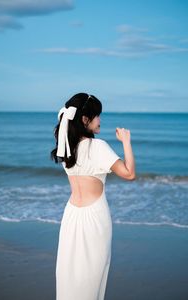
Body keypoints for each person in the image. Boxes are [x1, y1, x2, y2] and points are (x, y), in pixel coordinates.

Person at [51, 92, 136, 300]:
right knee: (92, 276)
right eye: (97, 115)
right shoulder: (98, 146)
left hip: (71, 216)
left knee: (69, 274)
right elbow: (129, 174)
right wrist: (126, 141)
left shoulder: (67, 148)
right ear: (85, 119)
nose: (100, 120)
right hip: (94, 219)